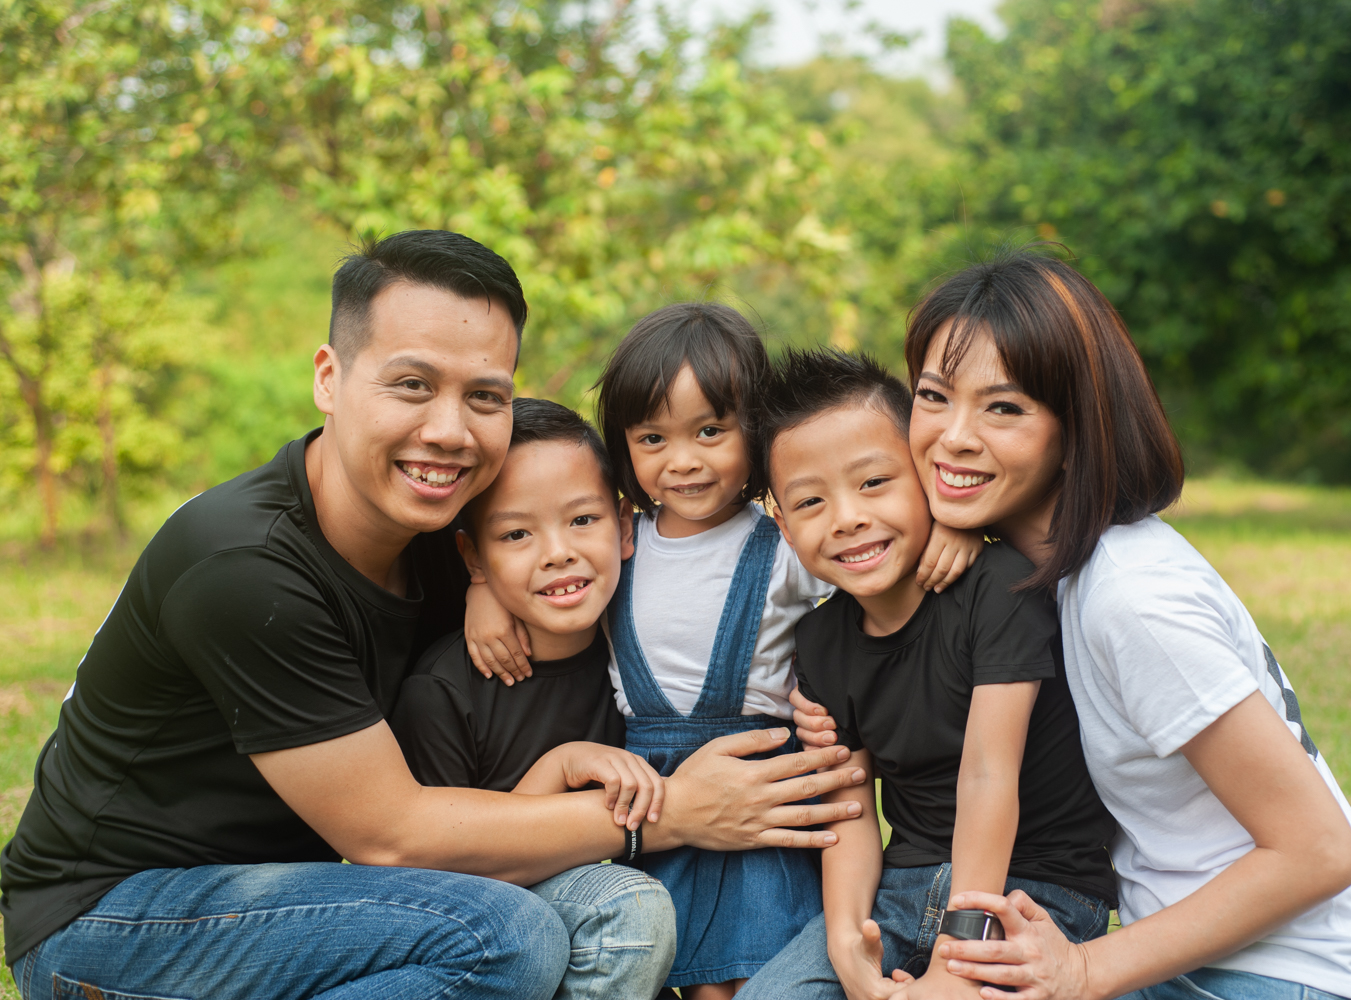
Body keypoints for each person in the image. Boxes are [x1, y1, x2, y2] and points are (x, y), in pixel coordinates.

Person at [0, 231, 869, 1000]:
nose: (450, 430)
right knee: (504, 936)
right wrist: (672, 810)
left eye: (484, 397)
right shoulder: (243, 566)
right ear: (329, 379)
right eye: (411, 384)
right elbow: (393, 835)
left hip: (301, 891)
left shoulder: (445, 525)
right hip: (118, 920)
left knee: (577, 918)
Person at [794, 247, 1351, 1000]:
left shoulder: (1132, 597)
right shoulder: (1031, 567)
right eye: (932, 396)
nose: (952, 436)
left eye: (1004, 407)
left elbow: (1318, 852)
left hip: (1283, 976)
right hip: (1182, 966)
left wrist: (1086, 968)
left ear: (1074, 426)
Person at [570, 303, 984, 999]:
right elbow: (546, 566)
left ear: (755, 436)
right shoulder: (614, 539)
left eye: (710, 431)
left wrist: (956, 530)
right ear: (623, 448)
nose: (684, 461)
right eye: (652, 438)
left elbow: (874, 558)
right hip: (652, 787)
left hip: (763, 784)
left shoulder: (785, 538)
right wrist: (487, 592)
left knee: (738, 977)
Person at [739, 349, 1117, 1000]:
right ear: (782, 525)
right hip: (902, 888)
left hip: (1032, 891)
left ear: (925, 476)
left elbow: (986, 774)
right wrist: (844, 938)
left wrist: (958, 958)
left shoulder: (995, 589)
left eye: (873, 483)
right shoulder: (821, 639)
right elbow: (848, 802)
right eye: (809, 502)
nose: (847, 517)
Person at [390, 396, 673, 998]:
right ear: (474, 556)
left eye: (582, 520)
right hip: (500, 933)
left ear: (625, 525)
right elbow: (438, 887)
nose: (557, 552)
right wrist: (560, 767)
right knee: (628, 909)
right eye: (517, 534)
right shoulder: (442, 691)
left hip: (646, 919)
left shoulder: (649, 638)